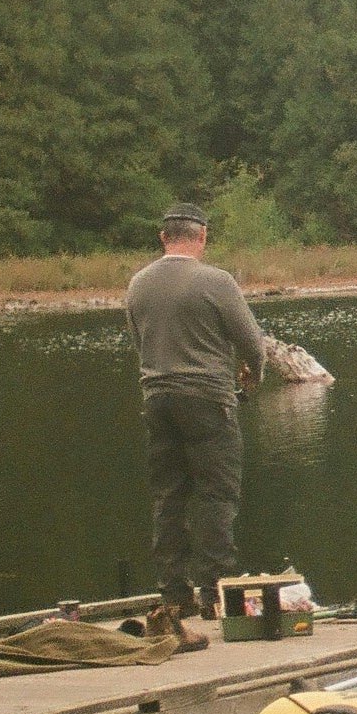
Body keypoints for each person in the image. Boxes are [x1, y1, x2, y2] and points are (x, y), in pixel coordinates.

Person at [126, 202, 268, 630]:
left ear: (163, 237)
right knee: (216, 494)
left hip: (157, 398)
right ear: (202, 236)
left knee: (168, 495)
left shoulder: (137, 284)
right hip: (208, 399)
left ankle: (173, 594)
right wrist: (252, 375)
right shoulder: (216, 281)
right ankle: (214, 592)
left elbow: (139, 343)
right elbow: (252, 343)